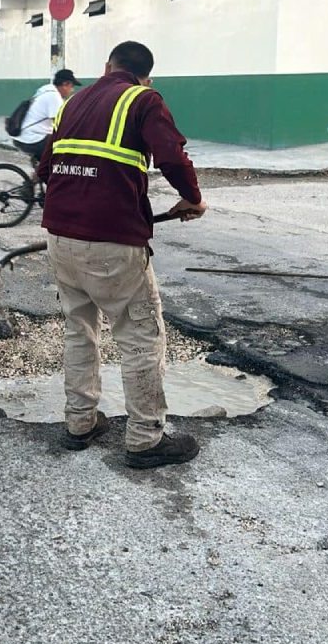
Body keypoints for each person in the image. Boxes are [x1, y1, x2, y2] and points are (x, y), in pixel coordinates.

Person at [36, 41, 208, 470]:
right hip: (113, 243)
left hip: (60, 237)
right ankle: (146, 438)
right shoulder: (143, 99)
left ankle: (79, 423)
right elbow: (172, 156)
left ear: (106, 66)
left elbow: (45, 169)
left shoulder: (70, 103)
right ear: (146, 76)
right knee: (140, 336)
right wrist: (192, 199)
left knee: (79, 330)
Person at [13, 69, 80, 164]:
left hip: (23, 136)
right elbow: (61, 124)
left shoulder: (46, 89)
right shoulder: (54, 96)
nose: (72, 90)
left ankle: (39, 175)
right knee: (63, 154)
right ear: (65, 84)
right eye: (72, 86)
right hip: (32, 139)